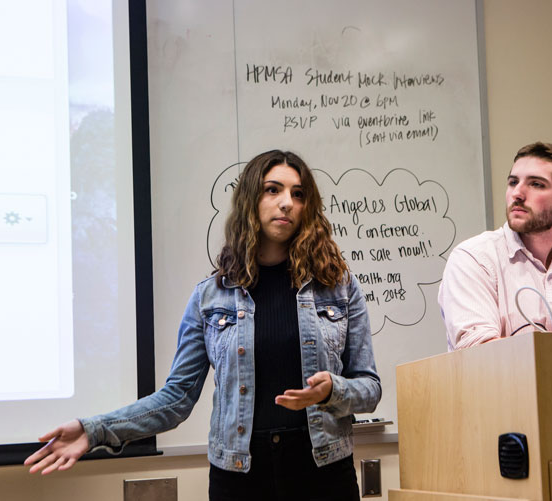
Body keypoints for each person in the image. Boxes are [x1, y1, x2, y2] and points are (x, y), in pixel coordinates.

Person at [25, 150, 381, 500]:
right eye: (273, 190)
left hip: (323, 473)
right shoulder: (210, 297)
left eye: (298, 194)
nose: (286, 202)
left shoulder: (338, 287)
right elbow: (176, 398)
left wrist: (333, 390)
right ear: (250, 200)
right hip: (240, 479)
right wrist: (97, 430)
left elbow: (370, 387)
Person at [438, 141, 552, 351]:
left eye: (536, 184)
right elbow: (479, 351)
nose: (517, 193)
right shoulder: (473, 258)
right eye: (513, 182)